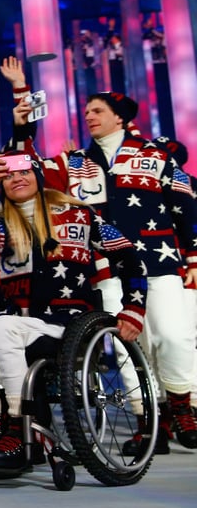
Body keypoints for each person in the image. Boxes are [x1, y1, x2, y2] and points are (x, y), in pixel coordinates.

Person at [18, 92, 197, 451]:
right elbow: (30, 168)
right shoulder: (76, 162)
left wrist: (193, 257)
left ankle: (181, 405)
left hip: (158, 261)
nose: (89, 117)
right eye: (86, 112)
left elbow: (184, 206)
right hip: (105, 268)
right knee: (128, 343)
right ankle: (149, 422)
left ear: (120, 118)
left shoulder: (155, 155)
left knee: (174, 335)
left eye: (97, 111)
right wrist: (23, 123)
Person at [0, 153, 147, 471]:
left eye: (25, 172)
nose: (17, 178)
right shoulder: (1, 222)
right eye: (8, 176)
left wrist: (133, 309)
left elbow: (130, 257)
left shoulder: (78, 214)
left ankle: (24, 428)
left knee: (3, 327)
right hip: (20, 322)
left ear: (39, 175)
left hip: (70, 323)